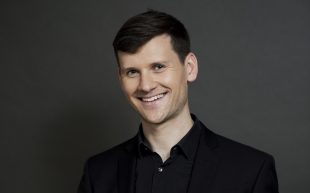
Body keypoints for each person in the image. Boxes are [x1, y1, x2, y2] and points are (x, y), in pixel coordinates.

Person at [77, 10, 279, 193]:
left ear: (189, 67)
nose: (145, 86)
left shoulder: (252, 171)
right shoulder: (97, 173)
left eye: (158, 67)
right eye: (132, 72)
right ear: (120, 78)